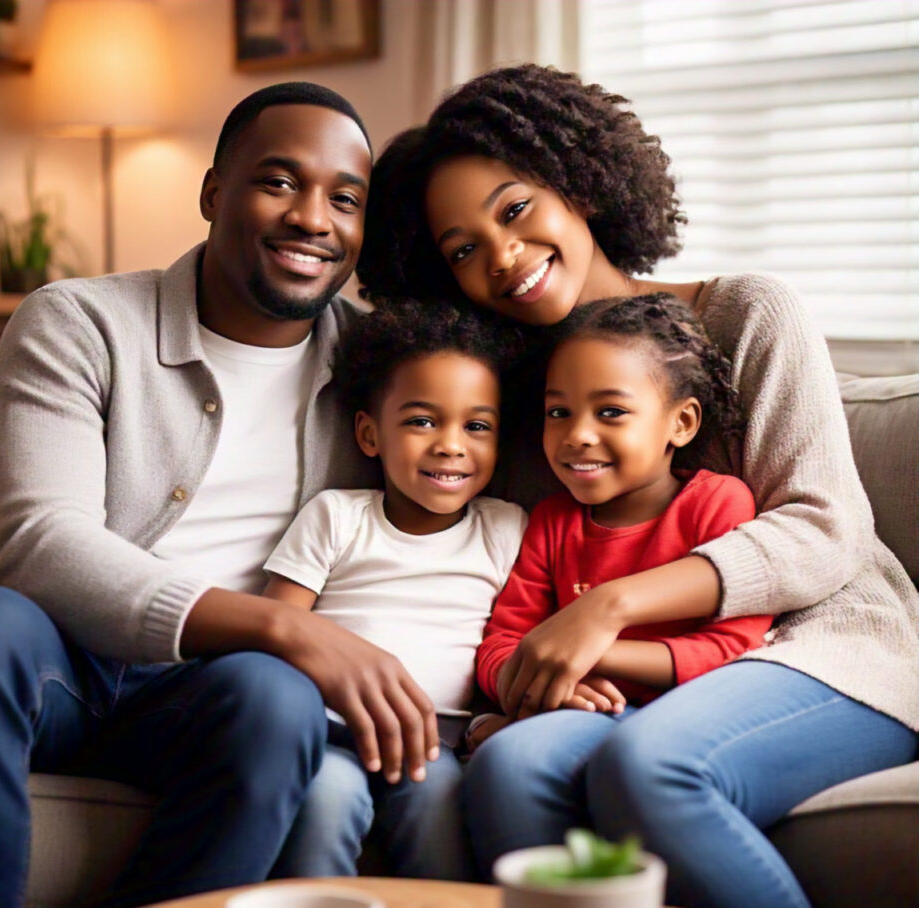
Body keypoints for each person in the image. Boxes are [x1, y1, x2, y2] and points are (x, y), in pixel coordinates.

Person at [357, 64, 919, 908]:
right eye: (463, 250)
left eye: (514, 210)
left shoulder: (746, 316)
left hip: (827, 649)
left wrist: (607, 608)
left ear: (579, 185)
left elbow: (824, 530)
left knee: (652, 767)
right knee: (508, 769)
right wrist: (498, 702)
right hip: (629, 683)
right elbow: (507, 577)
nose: (503, 258)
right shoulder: (512, 404)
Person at [0, 83, 442, 908]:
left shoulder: (379, 367)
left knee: (278, 699)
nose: (312, 218)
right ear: (215, 192)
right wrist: (285, 628)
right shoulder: (78, 321)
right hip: (60, 658)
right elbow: (42, 541)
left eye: (345, 199)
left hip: (212, 691)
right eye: (279, 181)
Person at [263, 300, 526, 880]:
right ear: (369, 434)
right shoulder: (336, 516)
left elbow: (514, 636)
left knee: (436, 807)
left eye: (476, 426)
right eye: (421, 421)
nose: (451, 445)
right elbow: (275, 630)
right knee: (327, 799)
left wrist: (488, 720)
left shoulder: (506, 528)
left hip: (438, 742)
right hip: (331, 733)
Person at [467, 293, 771, 754]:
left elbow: (737, 649)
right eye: (558, 413)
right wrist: (549, 687)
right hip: (577, 714)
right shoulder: (554, 521)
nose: (577, 435)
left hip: (684, 723)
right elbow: (502, 645)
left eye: (610, 412)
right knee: (508, 764)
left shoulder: (717, 503)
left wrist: (585, 653)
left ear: (682, 422)